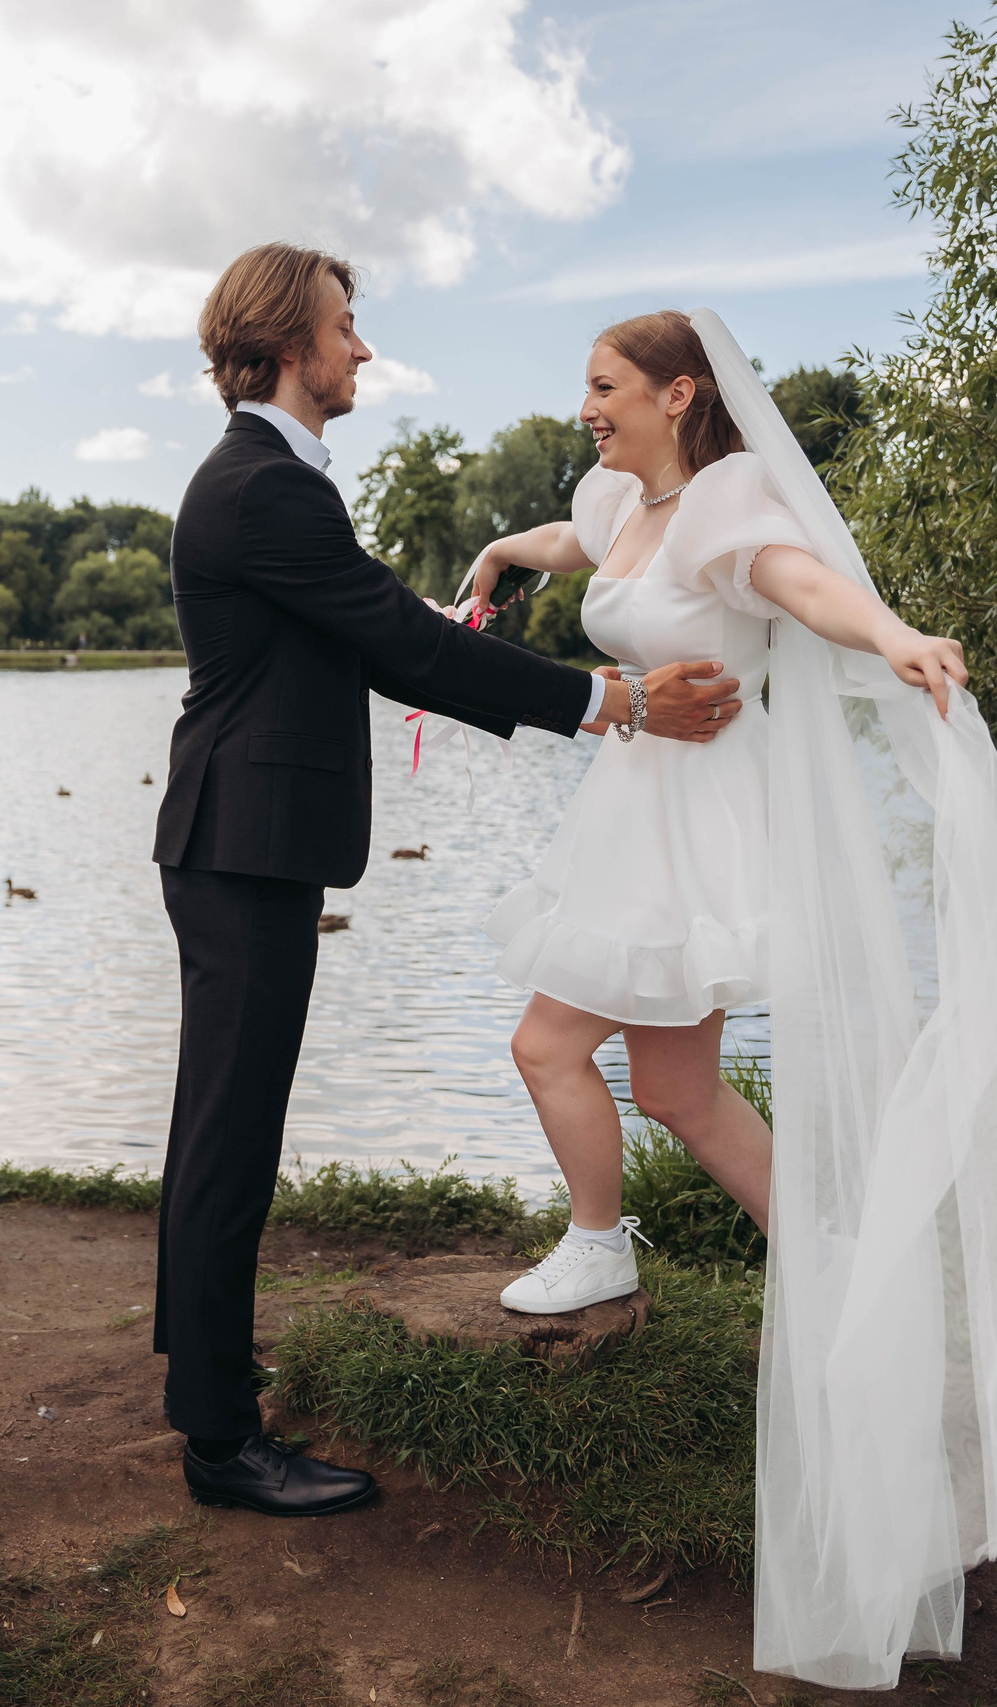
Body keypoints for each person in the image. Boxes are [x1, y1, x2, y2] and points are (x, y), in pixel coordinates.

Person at [466, 309, 997, 1689]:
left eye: (605, 386)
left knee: (542, 1041)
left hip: (689, 830)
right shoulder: (624, 495)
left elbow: (805, 586)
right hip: (634, 817)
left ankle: (598, 1238)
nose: (586, 406)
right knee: (680, 1087)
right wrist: (508, 553)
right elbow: (590, 550)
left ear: (682, 391)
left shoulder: (736, 496)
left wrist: (897, 632)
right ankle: (839, 1252)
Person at [150, 246, 745, 1519]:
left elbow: (385, 645)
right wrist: (612, 702)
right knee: (227, 1141)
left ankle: (206, 1381)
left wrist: (502, 631)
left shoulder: (273, 483)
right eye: (344, 329)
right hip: (240, 845)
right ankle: (218, 1442)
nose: (361, 350)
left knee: (226, 1132)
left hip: (244, 843)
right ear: (285, 343)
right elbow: (397, 641)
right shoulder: (265, 490)